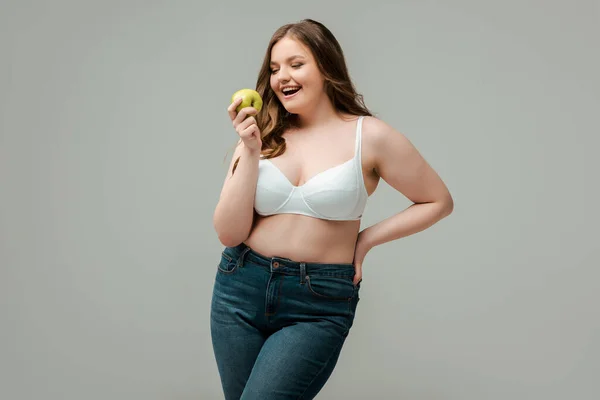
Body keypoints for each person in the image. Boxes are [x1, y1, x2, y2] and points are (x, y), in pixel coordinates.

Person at [210, 18, 454, 399]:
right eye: (274, 69)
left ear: (325, 66)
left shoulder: (369, 136)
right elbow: (229, 233)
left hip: (317, 302)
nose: (281, 78)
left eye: (295, 64)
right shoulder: (264, 133)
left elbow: (438, 201)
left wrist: (365, 241)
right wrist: (251, 149)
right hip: (239, 288)